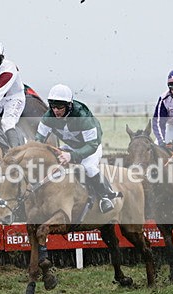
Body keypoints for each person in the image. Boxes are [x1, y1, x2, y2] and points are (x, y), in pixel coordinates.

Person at [34, 84, 119, 214]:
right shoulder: (48, 117)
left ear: (68, 106)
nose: (56, 110)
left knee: (88, 167)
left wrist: (71, 156)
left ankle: (106, 195)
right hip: (71, 146)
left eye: (60, 107)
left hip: (91, 147)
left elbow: (92, 145)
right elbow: (38, 141)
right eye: (53, 106)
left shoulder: (83, 116)